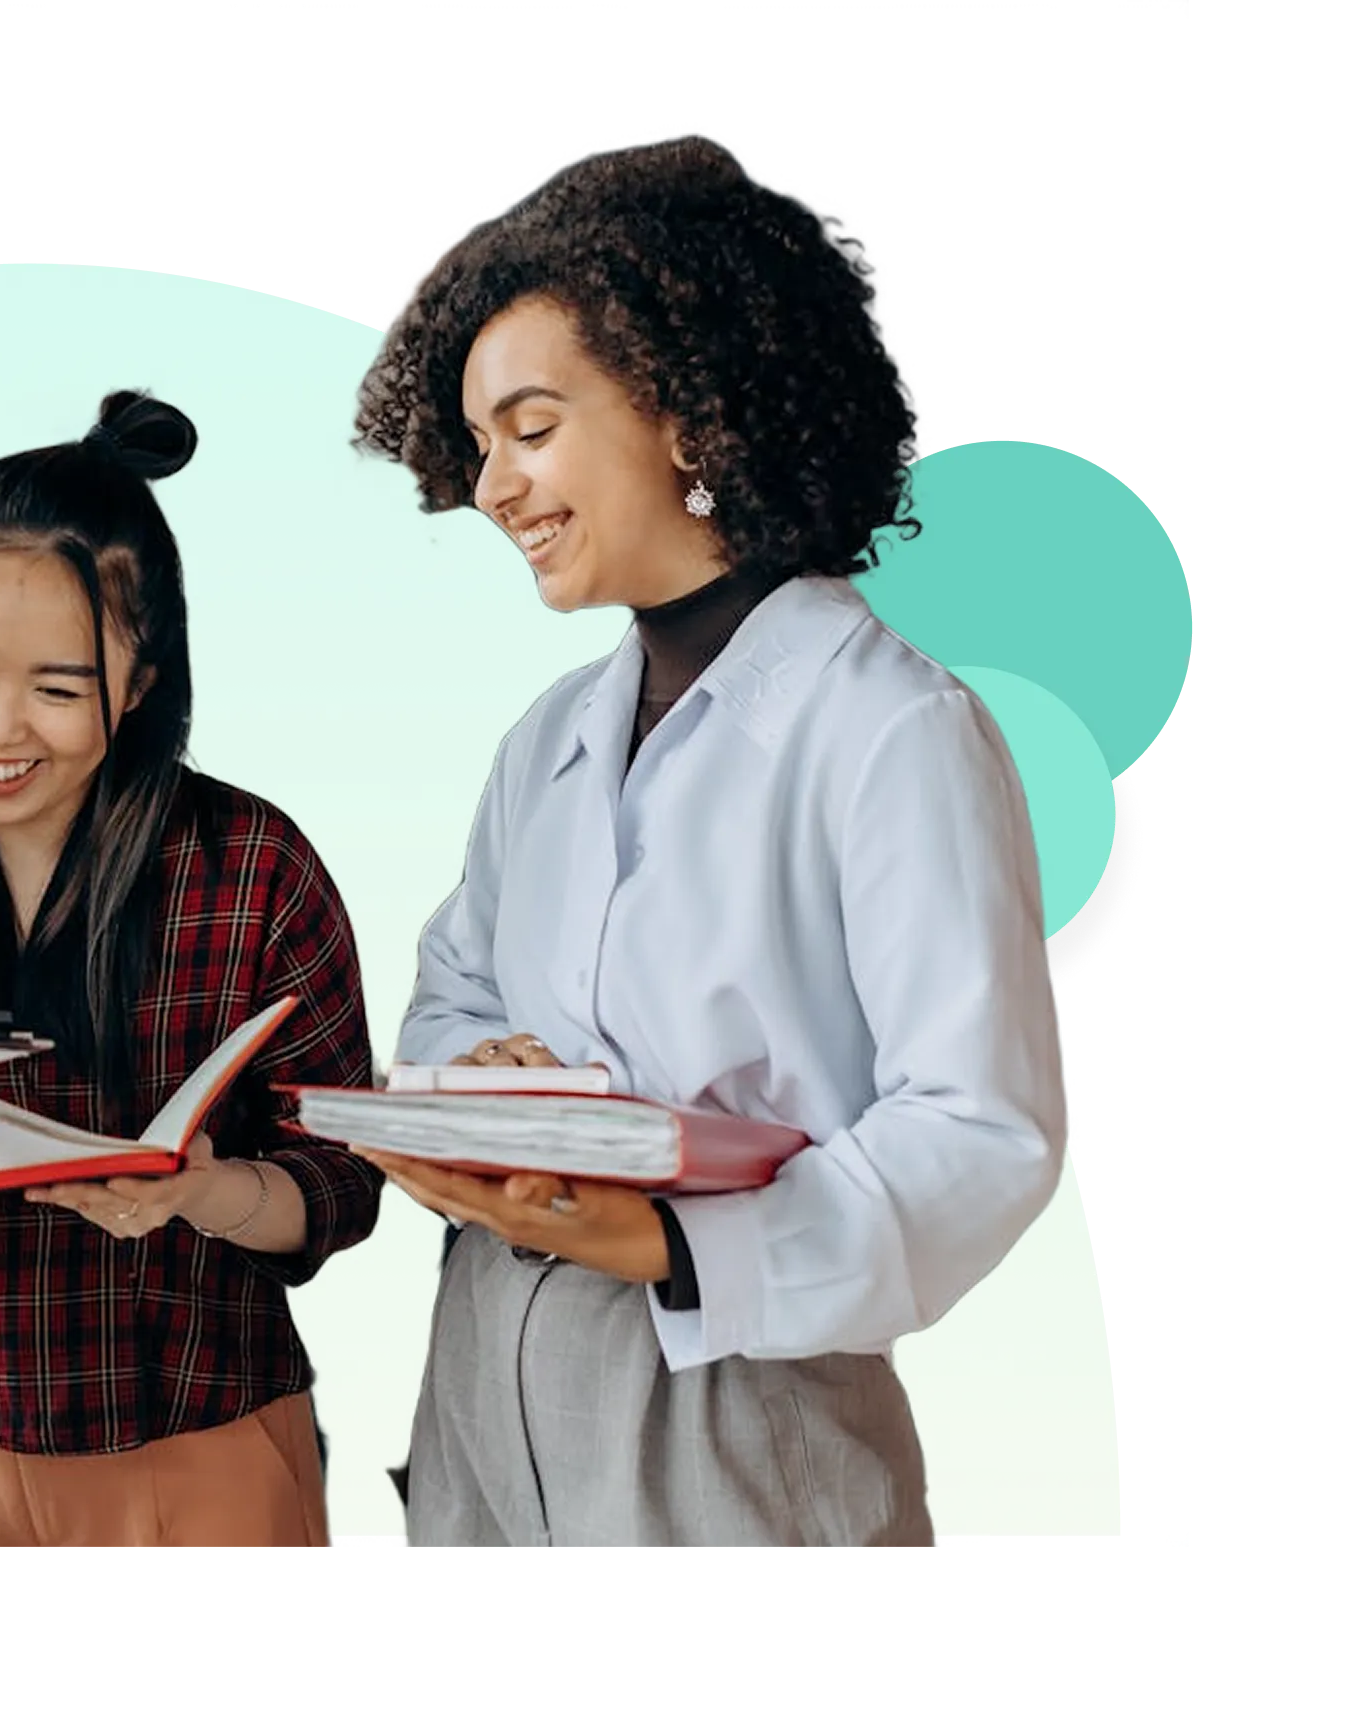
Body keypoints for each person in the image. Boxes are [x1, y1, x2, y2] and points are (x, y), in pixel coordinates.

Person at [348, 134, 1069, 1551]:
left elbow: (982, 1128)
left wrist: (676, 1241)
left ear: (691, 413)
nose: (493, 487)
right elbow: (457, 983)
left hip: (735, 1399)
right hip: (489, 1381)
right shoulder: (549, 739)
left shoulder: (891, 730)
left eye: (533, 428)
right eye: (480, 443)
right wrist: (475, 1068)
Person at [0, 390, 385, 1551]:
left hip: (211, 1446)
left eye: (58, 690)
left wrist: (199, 1191)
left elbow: (345, 1173)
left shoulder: (252, 865)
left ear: (142, 685)